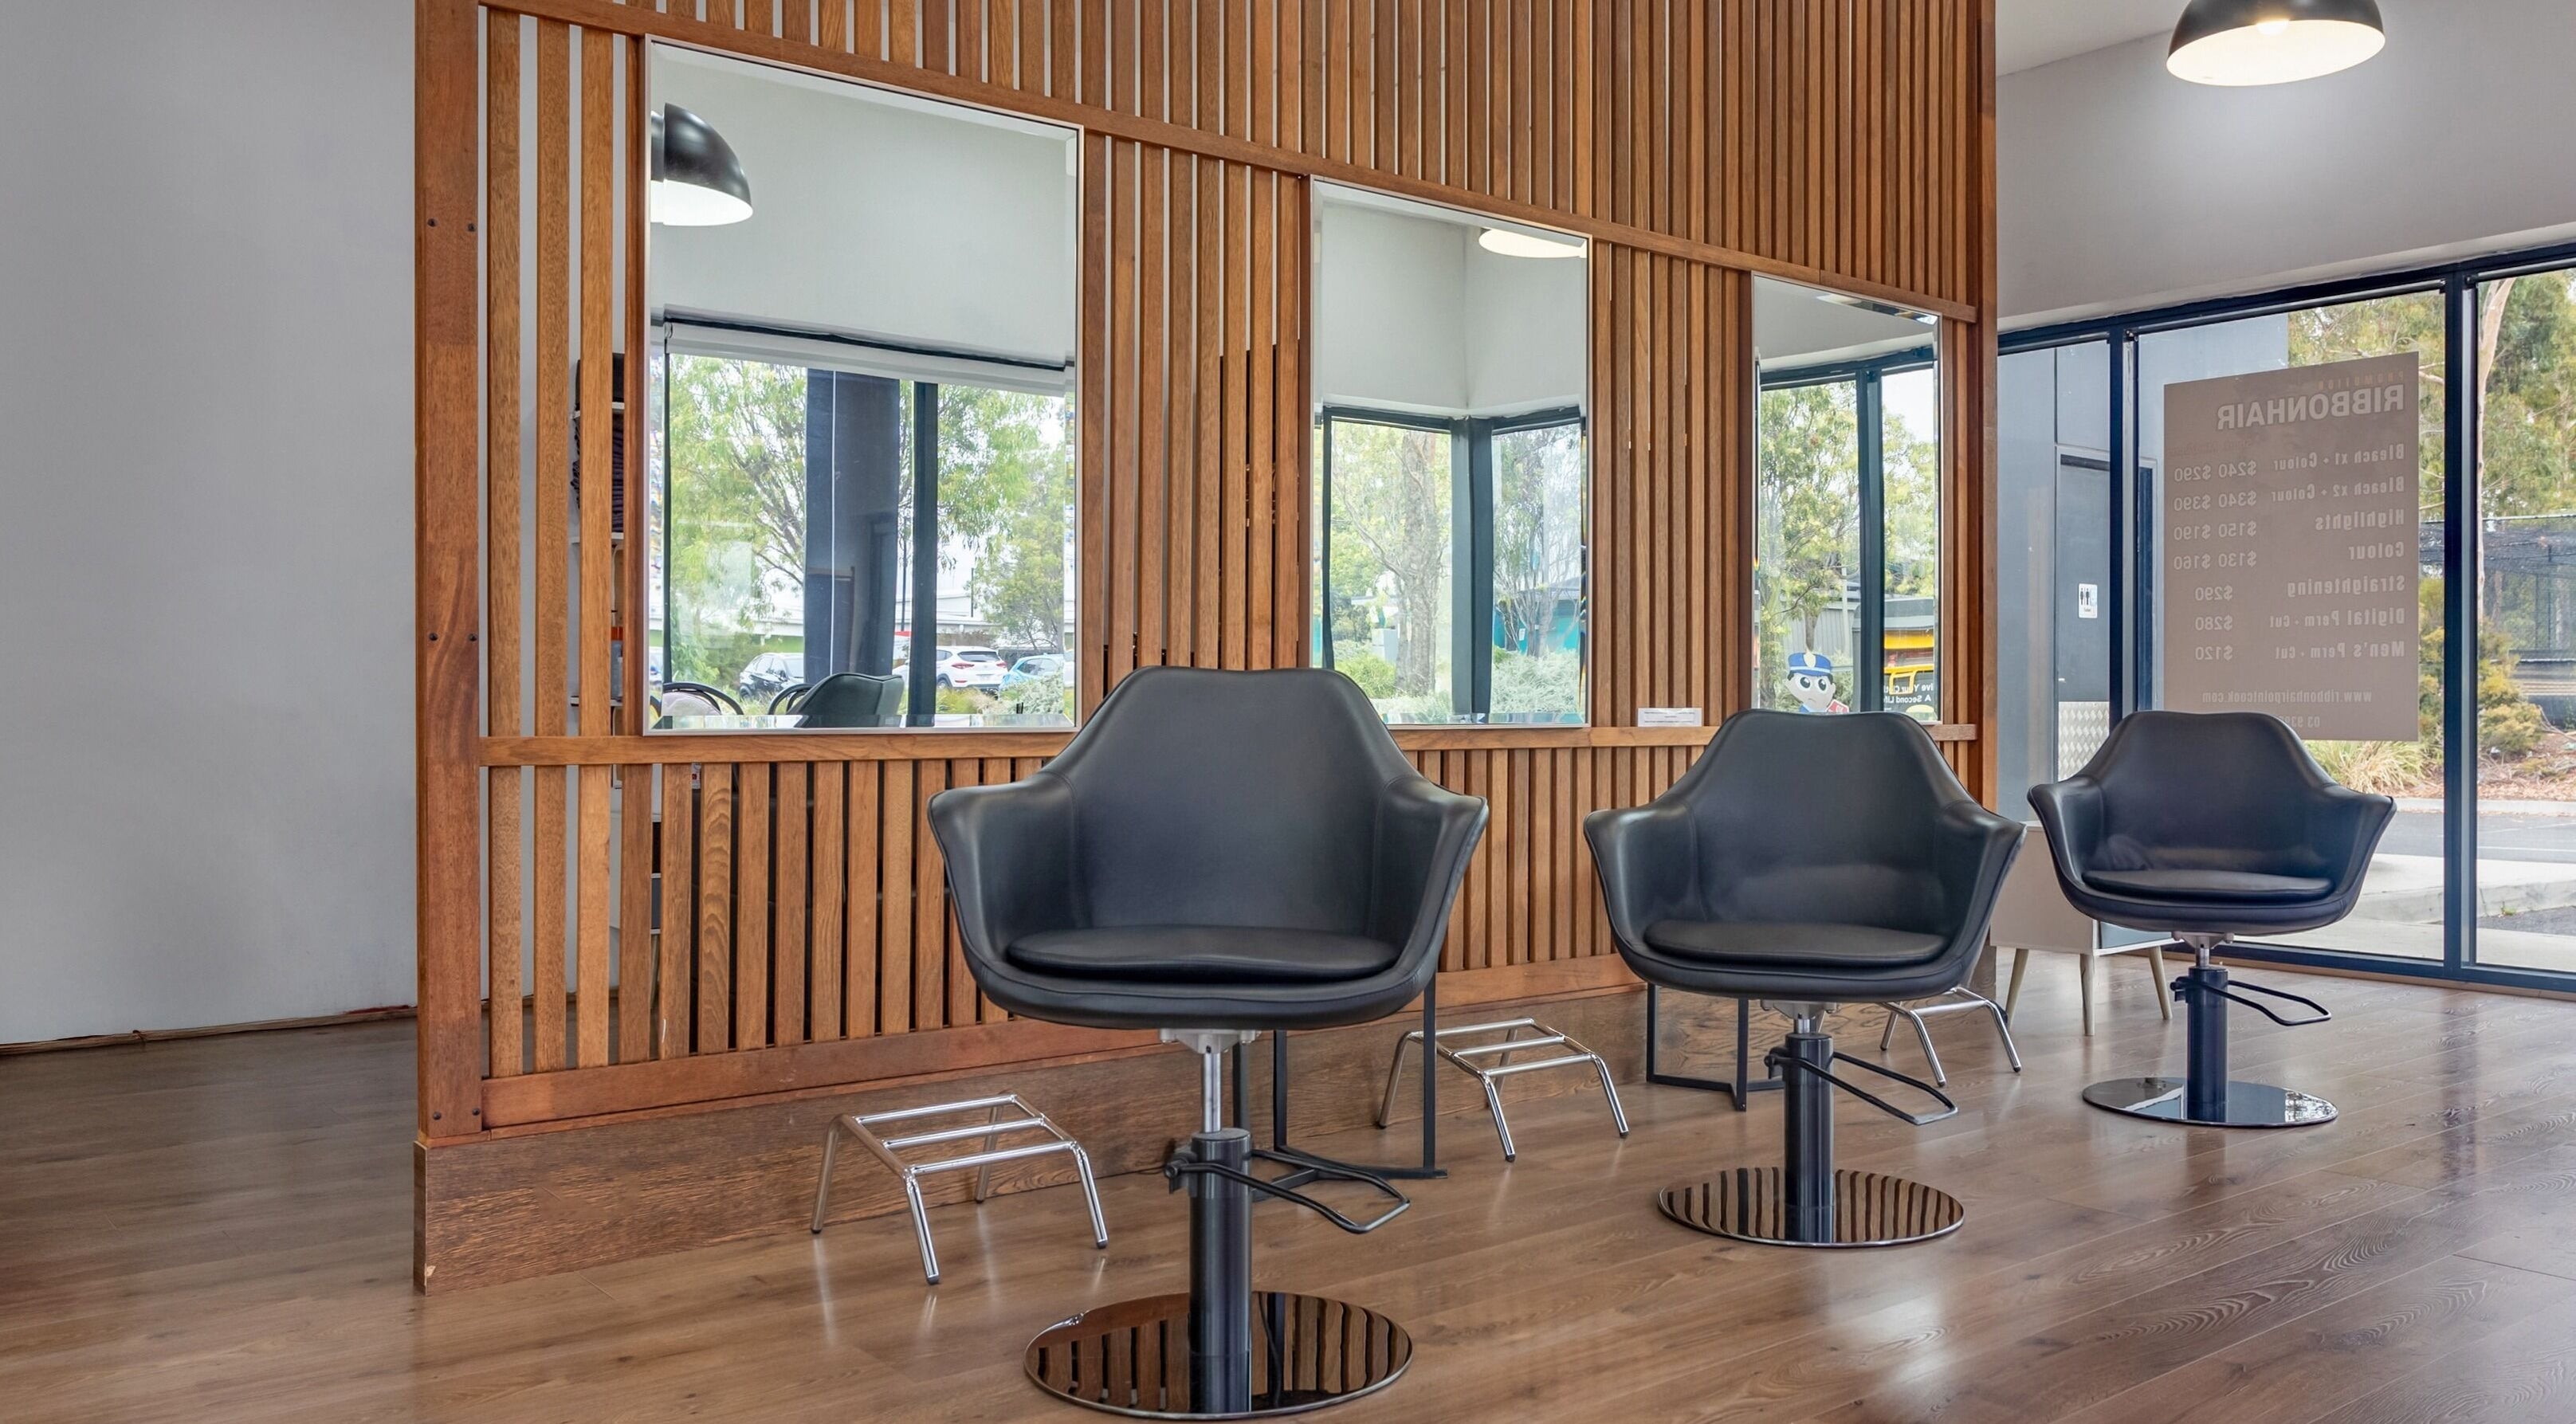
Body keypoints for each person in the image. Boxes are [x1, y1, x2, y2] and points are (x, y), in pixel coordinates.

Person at [1785, 650, 1848, 715]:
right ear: (1789, 683)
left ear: (1832, 688)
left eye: (1822, 684)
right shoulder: (1802, 714)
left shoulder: (1831, 711)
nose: (1814, 691)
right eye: (1805, 683)